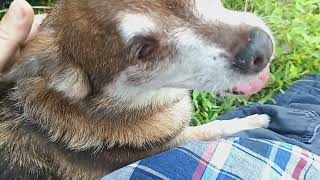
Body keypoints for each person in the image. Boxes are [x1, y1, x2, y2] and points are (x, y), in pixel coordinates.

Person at [1, 1, 320, 179]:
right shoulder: (103, 150)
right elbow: (173, 143)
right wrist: (232, 127)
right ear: (69, 79)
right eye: (144, 50)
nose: (251, 44)